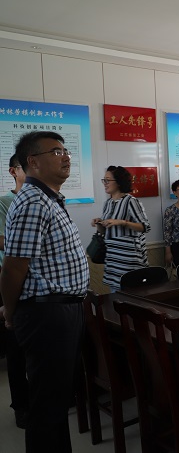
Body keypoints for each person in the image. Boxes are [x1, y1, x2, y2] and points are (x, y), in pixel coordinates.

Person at [0, 131, 89, 453]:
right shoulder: (33, 202)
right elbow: (13, 267)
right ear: (33, 162)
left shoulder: (49, 198)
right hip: (47, 313)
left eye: (65, 151)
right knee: (47, 406)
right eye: (55, 152)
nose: (65, 157)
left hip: (61, 310)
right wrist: (10, 312)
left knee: (56, 400)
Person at [0, 154, 29, 429]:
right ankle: (21, 405)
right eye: (26, 167)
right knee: (16, 349)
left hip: (40, 285)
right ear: (14, 171)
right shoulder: (4, 202)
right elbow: (1, 241)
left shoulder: (48, 198)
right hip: (13, 280)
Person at [92, 166, 151, 292]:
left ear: (119, 182)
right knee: (115, 297)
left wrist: (123, 222)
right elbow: (105, 232)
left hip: (129, 261)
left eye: (108, 180)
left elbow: (145, 226)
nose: (105, 183)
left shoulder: (131, 201)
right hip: (113, 261)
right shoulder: (108, 203)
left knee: (132, 297)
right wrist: (99, 223)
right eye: (104, 180)